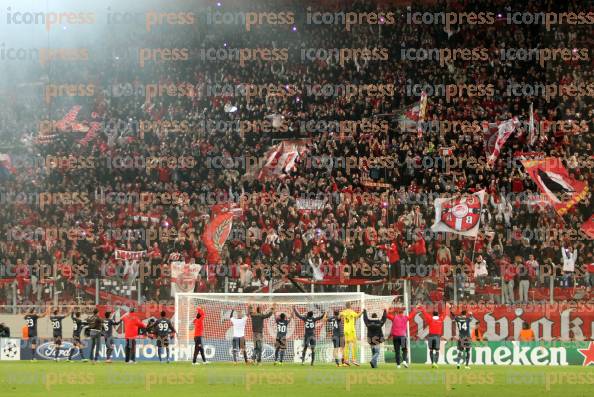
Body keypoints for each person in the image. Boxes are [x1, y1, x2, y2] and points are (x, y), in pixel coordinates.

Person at [418, 303, 449, 368]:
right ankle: (436, 363)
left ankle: (432, 363)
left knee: (431, 350)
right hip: (437, 337)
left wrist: (420, 306)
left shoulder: (430, 319)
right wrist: (447, 306)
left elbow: (425, 313)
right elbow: (445, 314)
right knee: (437, 350)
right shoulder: (440, 319)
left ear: (433, 314)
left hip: (431, 336)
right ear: (438, 315)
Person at [386, 304, 416, 368]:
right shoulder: (406, 318)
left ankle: (398, 365)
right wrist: (415, 308)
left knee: (397, 351)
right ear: (403, 313)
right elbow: (412, 315)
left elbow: (386, 315)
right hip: (402, 337)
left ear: (397, 312)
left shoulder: (394, 317)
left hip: (395, 337)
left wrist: (385, 309)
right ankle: (404, 361)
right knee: (404, 349)